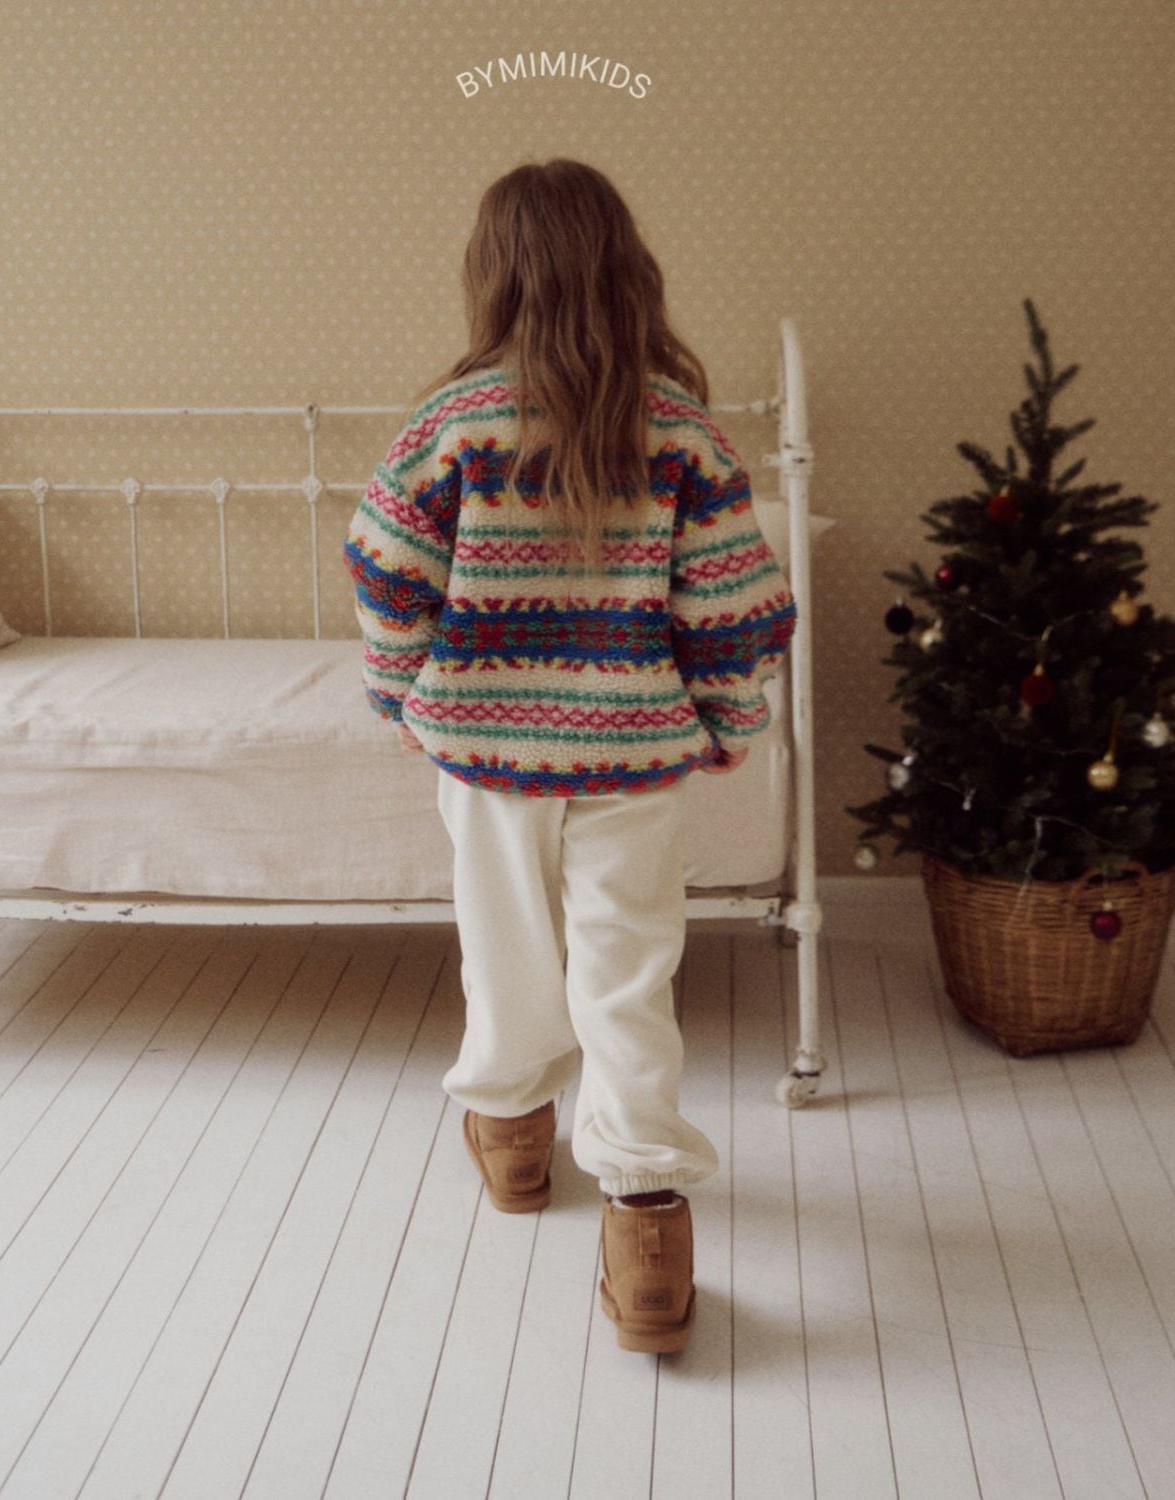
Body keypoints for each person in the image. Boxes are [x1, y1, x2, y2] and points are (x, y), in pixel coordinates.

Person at [344, 158, 796, 1355]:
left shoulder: (453, 423)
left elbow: (385, 566)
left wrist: (402, 691)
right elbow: (731, 603)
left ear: (495, 276)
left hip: (486, 750)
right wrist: (727, 720)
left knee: (503, 943)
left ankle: (513, 1140)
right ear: (625, 268)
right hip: (631, 754)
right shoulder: (680, 427)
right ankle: (646, 1224)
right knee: (627, 968)